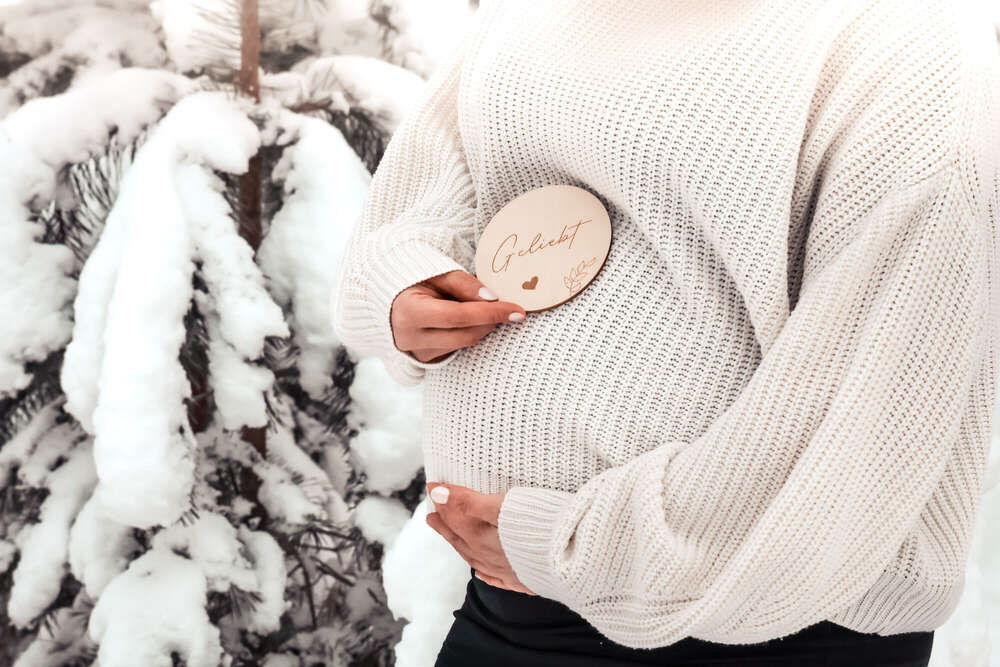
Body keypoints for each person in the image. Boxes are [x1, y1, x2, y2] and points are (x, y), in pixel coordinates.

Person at [330, 0, 1000, 665]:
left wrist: (583, 545)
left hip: (769, 634)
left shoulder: (906, 45)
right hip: (513, 608)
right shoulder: (531, 13)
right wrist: (407, 284)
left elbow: (869, 395)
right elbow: (428, 192)